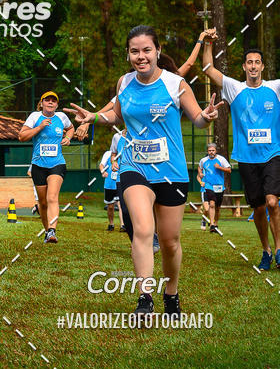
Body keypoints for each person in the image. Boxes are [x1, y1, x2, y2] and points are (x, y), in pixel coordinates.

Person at [66, 25, 218, 321]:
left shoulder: (175, 84)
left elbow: (198, 119)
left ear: (158, 51)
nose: (141, 56)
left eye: (147, 50)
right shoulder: (124, 83)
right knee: (143, 230)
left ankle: (171, 293)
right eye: (134, 51)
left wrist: (206, 117)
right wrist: (94, 117)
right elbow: (116, 115)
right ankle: (145, 298)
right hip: (134, 166)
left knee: (170, 241)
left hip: (171, 172)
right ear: (128, 54)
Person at [202, 32, 280, 269]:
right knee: (258, 207)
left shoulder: (275, 88)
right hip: (246, 158)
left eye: (257, 62)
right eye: (249, 62)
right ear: (244, 67)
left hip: (273, 154)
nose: (253, 66)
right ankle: (266, 251)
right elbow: (207, 68)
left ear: (263, 66)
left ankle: (279, 249)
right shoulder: (234, 88)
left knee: (272, 202)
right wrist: (208, 42)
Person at [19, 91, 74, 243]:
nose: (50, 102)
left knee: (52, 197)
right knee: (42, 203)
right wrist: (40, 127)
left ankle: (52, 231)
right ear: (41, 103)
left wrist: (68, 138)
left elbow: (71, 128)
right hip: (38, 165)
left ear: (57, 104)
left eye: (53, 101)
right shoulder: (35, 117)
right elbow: (22, 136)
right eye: (47, 100)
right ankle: (47, 232)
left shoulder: (62, 117)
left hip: (57, 163)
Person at [197, 143, 232, 234]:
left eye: (213, 150)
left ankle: (216, 224)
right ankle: (212, 224)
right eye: (209, 150)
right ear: (207, 151)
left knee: (217, 208)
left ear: (216, 151)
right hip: (208, 185)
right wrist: (200, 173)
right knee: (211, 204)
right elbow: (199, 167)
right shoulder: (203, 160)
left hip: (219, 186)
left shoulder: (221, 159)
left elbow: (229, 170)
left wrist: (219, 167)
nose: (211, 152)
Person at [99, 144, 123, 231]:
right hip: (109, 184)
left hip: (120, 183)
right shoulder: (108, 154)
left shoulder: (123, 153)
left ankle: (123, 225)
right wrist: (103, 172)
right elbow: (101, 165)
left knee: (121, 204)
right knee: (110, 206)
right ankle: (111, 224)